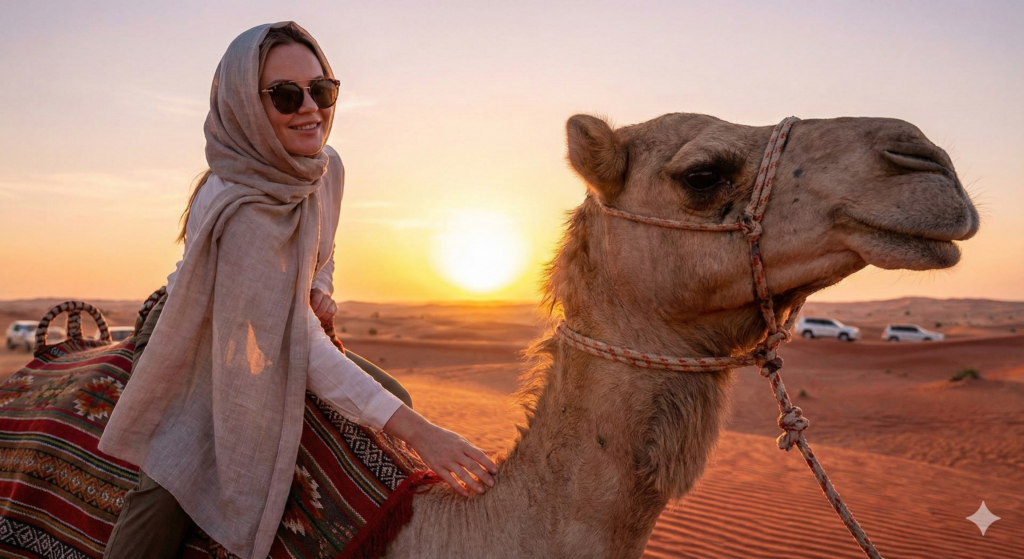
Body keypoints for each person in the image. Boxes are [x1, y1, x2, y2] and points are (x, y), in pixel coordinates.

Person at [98, 22, 497, 559]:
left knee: (393, 399)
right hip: (196, 333)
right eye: (286, 96)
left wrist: (318, 289)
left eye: (322, 90)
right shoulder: (236, 207)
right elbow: (298, 348)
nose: (310, 108)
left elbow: (321, 252)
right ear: (246, 105)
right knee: (178, 472)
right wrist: (423, 434)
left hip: (280, 326)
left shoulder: (325, 169)